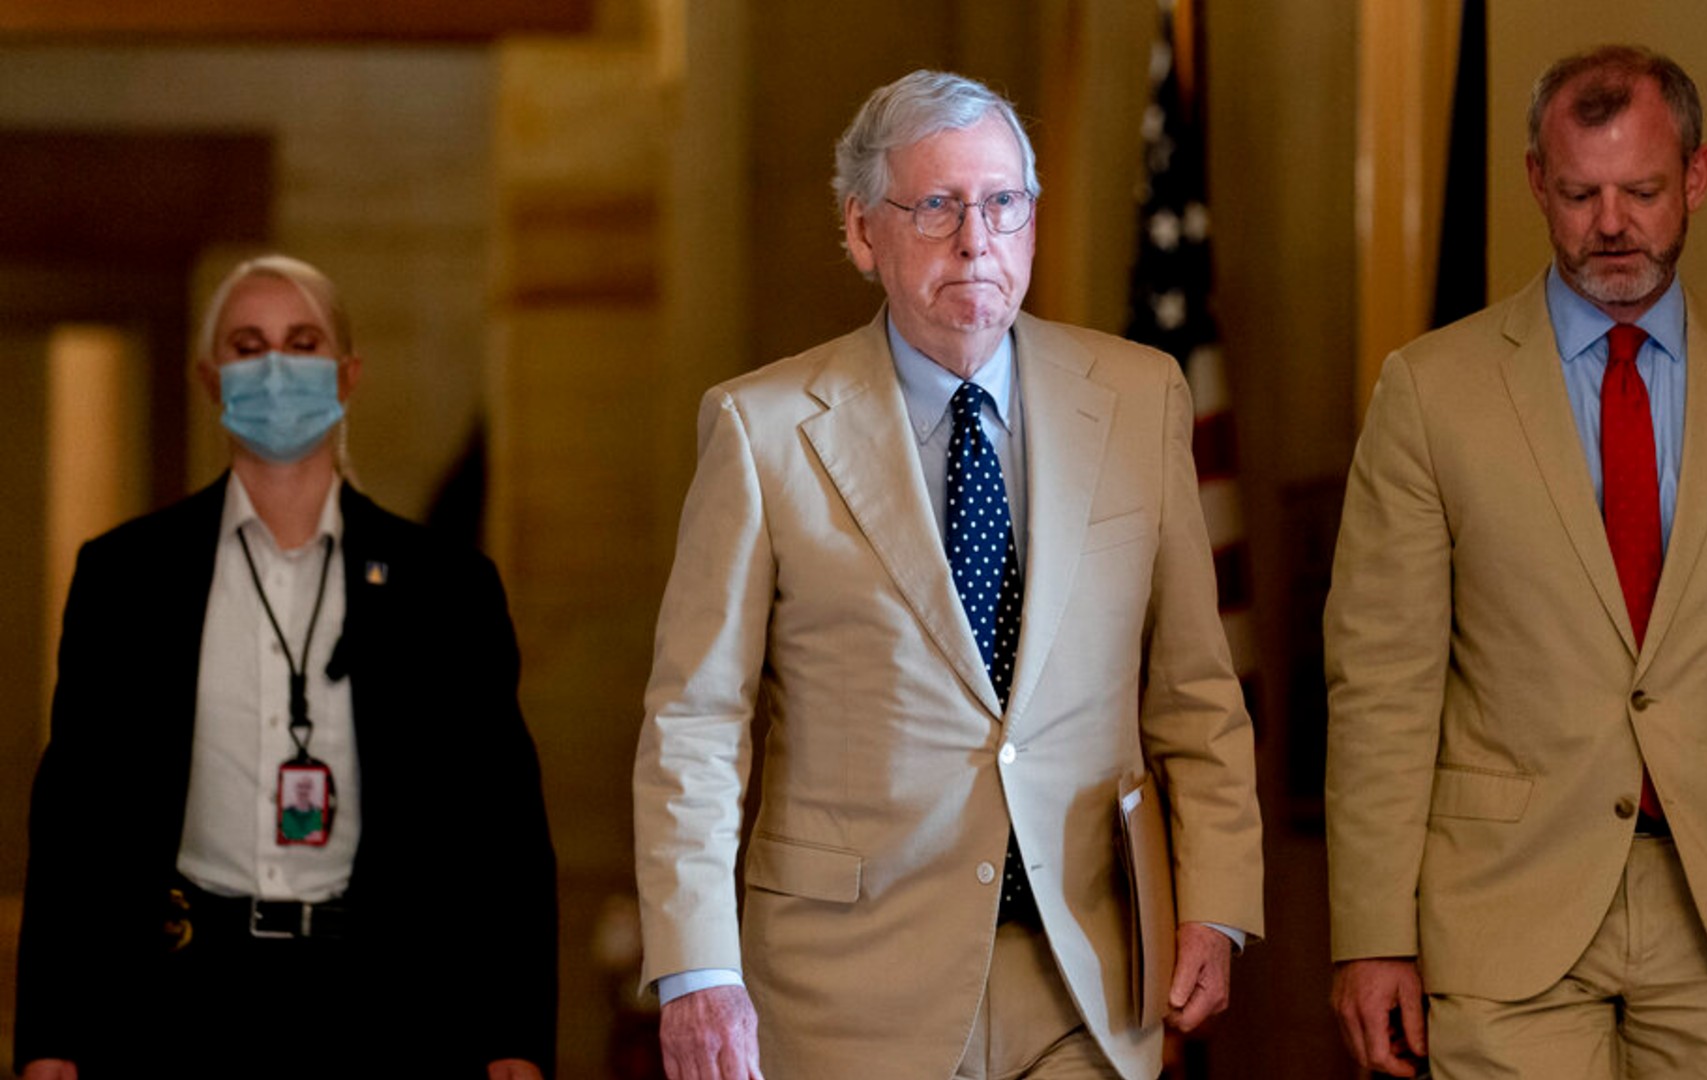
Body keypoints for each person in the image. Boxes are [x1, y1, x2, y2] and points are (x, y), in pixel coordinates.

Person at [631, 70, 1264, 1080]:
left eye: (1003, 204)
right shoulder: (762, 430)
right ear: (861, 232)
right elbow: (696, 722)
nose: (976, 240)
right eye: (935, 207)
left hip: (1087, 971)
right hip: (848, 990)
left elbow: (1195, 687)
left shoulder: (1142, 398)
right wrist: (696, 968)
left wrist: (1219, 904)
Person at [1324, 44, 1707, 1079]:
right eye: (1580, 192)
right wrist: (1372, 933)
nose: (1610, 225)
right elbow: (1382, 680)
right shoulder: (1430, 391)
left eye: (1641, 190)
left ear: (1696, 176)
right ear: (1534, 185)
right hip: (1503, 905)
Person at [15, 254, 558, 1079]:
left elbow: (502, 825)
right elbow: (75, 821)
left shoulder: (444, 586)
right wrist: (51, 1035)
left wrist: (514, 1034)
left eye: (301, 342)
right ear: (210, 378)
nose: (275, 368)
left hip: (386, 1003)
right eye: (248, 345)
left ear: (346, 375)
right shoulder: (127, 575)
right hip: (181, 998)